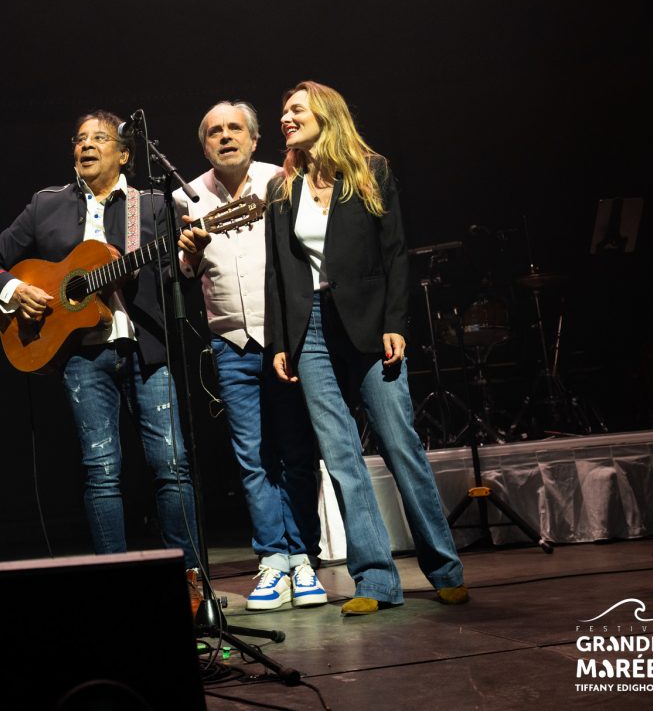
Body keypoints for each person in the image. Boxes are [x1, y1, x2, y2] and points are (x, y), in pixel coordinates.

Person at [264, 80, 469, 614]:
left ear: (326, 115)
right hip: (309, 326)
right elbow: (279, 272)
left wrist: (395, 321)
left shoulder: (369, 171)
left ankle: (444, 568)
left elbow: (395, 252)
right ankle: (375, 579)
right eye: (284, 111)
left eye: (296, 109)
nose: (286, 118)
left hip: (370, 323)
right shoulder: (282, 189)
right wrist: (280, 340)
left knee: (399, 443)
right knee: (340, 456)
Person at [0, 111, 200, 569]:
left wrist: (188, 260)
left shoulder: (151, 205)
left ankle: (190, 579)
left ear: (125, 154)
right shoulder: (46, 205)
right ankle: (112, 581)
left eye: (99, 138)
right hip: (81, 357)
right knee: (102, 470)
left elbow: (171, 275)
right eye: (79, 139)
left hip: (146, 349)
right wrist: (14, 291)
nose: (87, 145)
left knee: (172, 466)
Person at [175, 101, 327, 610]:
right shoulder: (186, 196)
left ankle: (303, 557)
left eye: (234, 128)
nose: (225, 137)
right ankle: (273, 560)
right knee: (252, 458)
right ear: (204, 146)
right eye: (214, 131)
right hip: (229, 343)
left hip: (284, 339)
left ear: (255, 138)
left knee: (295, 452)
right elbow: (185, 271)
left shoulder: (279, 180)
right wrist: (190, 252)